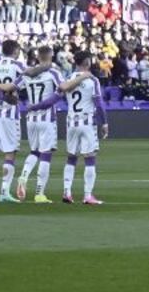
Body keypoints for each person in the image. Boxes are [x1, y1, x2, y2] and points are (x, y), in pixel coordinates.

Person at [30, 51, 108, 205]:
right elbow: (99, 104)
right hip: (87, 123)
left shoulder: (67, 80)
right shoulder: (92, 80)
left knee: (71, 158)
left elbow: (52, 100)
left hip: (71, 123)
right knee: (90, 158)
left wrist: (35, 106)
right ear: (87, 61)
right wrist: (104, 123)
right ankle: (87, 195)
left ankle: (67, 192)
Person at [0, 40, 33, 202]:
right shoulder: (18, 66)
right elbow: (24, 82)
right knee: (10, 153)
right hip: (9, 114)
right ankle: (4, 192)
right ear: (16, 51)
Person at [17, 46, 63, 204]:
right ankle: (39, 193)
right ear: (51, 56)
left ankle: (23, 176)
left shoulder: (27, 73)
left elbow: (13, 88)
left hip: (30, 118)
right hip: (46, 118)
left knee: (34, 151)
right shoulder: (54, 72)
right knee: (46, 154)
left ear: (38, 56)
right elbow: (63, 89)